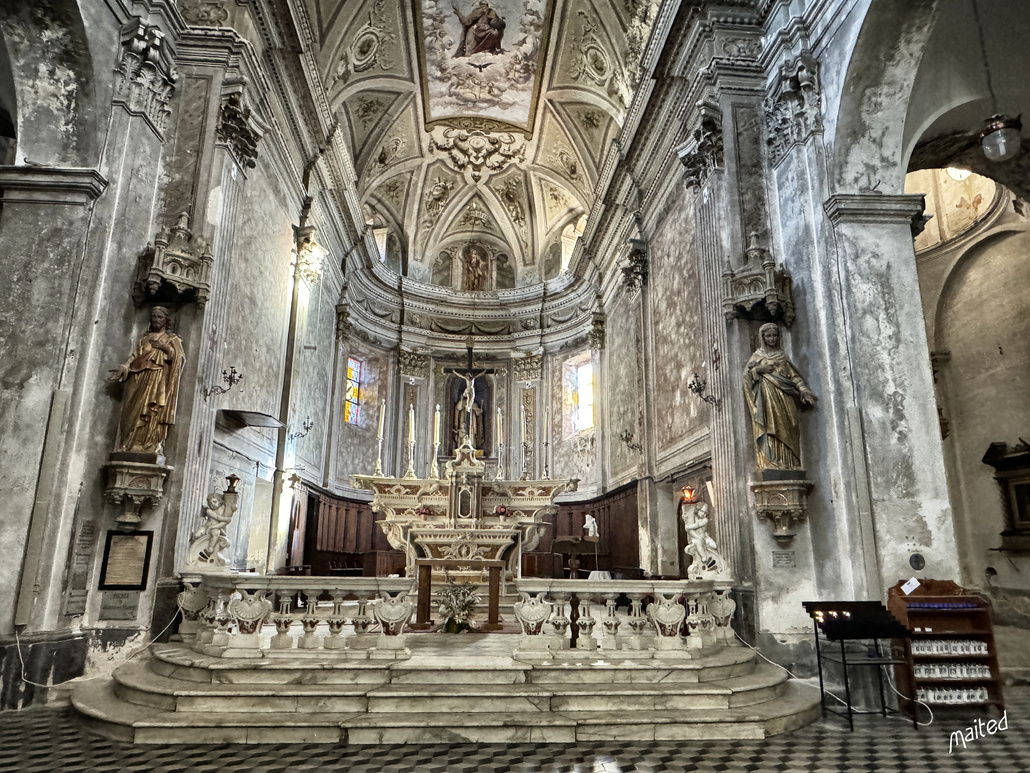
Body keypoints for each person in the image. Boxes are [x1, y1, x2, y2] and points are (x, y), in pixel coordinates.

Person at [107, 306, 186, 455]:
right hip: (137, 378)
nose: (156, 320)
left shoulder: (172, 339)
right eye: (154, 317)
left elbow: (178, 360)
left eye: (159, 317)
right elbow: (135, 356)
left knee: (151, 412)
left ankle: (147, 445)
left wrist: (165, 348)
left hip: (156, 379)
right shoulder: (144, 338)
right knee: (131, 413)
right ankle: (128, 443)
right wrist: (125, 367)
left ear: (166, 320)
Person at [742, 322, 816, 470]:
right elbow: (746, 378)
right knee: (770, 427)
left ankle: (790, 463)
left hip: (785, 398)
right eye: (768, 336)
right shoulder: (757, 356)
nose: (771, 339)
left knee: (789, 428)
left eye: (774, 335)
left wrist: (803, 390)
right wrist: (758, 370)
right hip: (766, 399)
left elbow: (794, 376)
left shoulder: (783, 357)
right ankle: (772, 463)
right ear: (762, 337)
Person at [681, 501, 727, 578]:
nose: (704, 514)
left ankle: (719, 566)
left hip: (705, 537)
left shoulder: (705, 520)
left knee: (714, 546)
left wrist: (688, 527)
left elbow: (697, 525)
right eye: (702, 511)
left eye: (705, 512)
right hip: (698, 538)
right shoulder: (694, 518)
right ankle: (703, 557)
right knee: (697, 542)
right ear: (697, 510)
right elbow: (691, 530)